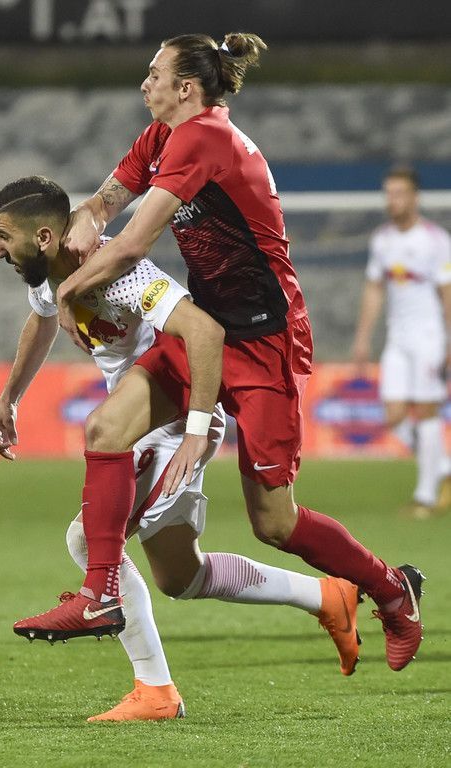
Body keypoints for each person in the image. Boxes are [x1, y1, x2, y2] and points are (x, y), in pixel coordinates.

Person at [29, 33, 423, 673]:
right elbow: (109, 199)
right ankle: (100, 595)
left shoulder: (205, 138)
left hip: (265, 339)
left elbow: (132, 245)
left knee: (275, 523)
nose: (144, 85)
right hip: (206, 328)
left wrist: (67, 292)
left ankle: (391, 590)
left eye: (154, 75)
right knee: (104, 429)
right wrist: (88, 214)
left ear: (186, 88)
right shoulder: (163, 136)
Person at [0, 176, 359, 722]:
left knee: (88, 540)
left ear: (43, 236)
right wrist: (10, 400)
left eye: (2, 237)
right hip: (138, 424)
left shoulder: (121, 270)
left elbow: (202, 333)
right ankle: (327, 597)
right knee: (181, 578)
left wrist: (196, 427)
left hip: (172, 419)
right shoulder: (47, 276)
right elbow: (42, 318)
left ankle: (154, 690)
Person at [352, 166, 451, 519]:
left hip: (428, 336)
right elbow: (374, 288)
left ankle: (426, 497)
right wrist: (363, 336)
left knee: (425, 411)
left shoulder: (435, 240)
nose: (392, 200)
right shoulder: (382, 240)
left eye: (399, 193)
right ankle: (443, 466)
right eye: (389, 193)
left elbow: (447, 293)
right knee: (394, 416)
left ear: (414, 197)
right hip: (397, 338)